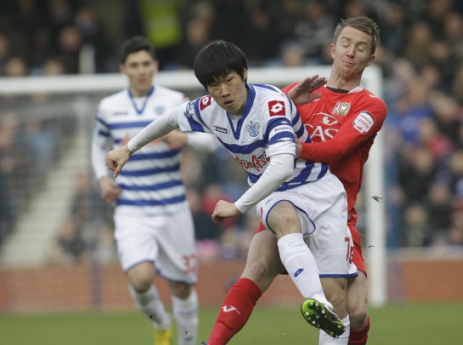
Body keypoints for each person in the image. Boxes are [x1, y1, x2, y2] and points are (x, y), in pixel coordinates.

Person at [105, 40, 356, 345]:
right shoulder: (208, 110)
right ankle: (315, 300)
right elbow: (170, 119)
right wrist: (129, 149)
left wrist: (238, 206)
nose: (223, 91)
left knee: (341, 300)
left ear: (244, 74)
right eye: (214, 85)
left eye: (229, 80)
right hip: (275, 193)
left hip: (320, 190)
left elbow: (281, 165)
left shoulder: (272, 105)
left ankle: (326, 303)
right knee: (285, 219)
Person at [205, 16, 387, 345]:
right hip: (287, 200)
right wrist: (289, 96)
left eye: (360, 48)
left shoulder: (370, 105)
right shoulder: (301, 96)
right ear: (332, 48)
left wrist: (292, 148)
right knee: (257, 266)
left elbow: (338, 148)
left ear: (370, 59)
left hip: (334, 211)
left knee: (355, 310)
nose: (350, 52)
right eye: (345, 44)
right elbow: (260, 117)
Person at [91, 36, 217, 345]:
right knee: (141, 278)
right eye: (134, 65)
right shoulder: (109, 107)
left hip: (173, 207)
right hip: (131, 208)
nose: (141, 70)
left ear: (155, 66)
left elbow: (211, 142)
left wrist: (184, 139)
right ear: (124, 69)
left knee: (181, 288)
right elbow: (97, 146)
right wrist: (100, 178)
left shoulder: (175, 101)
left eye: (146, 63)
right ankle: (160, 322)